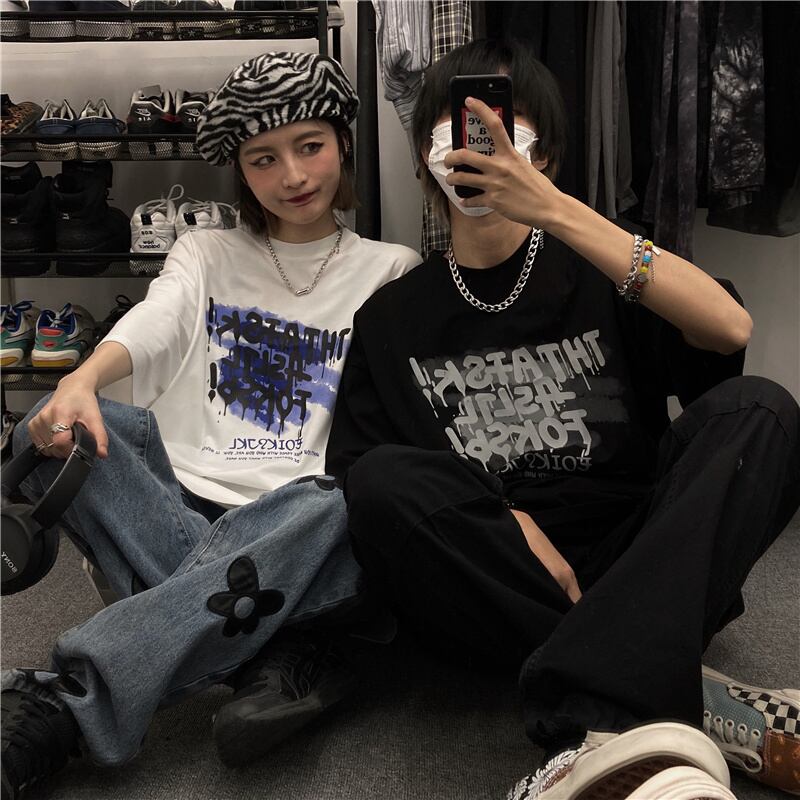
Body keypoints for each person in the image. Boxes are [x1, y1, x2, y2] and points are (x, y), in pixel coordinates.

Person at [325, 39, 800, 799]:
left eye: (501, 124)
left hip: (641, 556)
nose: (481, 142)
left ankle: (596, 717)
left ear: (543, 154)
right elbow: (362, 486)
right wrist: (505, 517)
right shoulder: (389, 316)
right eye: (458, 126)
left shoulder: (603, 270)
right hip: (495, 575)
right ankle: (664, 685)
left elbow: (729, 330)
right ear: (424, 160)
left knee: (763, 410)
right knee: (382, 480)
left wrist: (556, 211)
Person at [0, 51, 420, 798]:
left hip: (305, 518)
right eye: (264, 159)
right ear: (240, 172)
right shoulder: (204, 250)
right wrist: (81, 380)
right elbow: (158, 321)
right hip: (181, 500)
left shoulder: (393, 268)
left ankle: (63, 707)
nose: (293, 176)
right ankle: (282, 651)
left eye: (310, 146)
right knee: (49, 427)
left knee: (346, 495)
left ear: (343, 144)